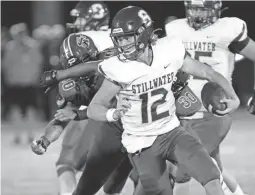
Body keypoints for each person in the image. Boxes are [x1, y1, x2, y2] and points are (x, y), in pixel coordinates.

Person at [86, 5, 240, 195]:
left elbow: (207, 72)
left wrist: (233, 97)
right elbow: (93, 108)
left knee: (211, 176)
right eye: (120, 39)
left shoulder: (168, 50)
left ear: (143, 33)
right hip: (142, 144)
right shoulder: (118, 68)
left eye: (128, 37)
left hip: (172, 133)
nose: (123, 44)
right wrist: (112, 113)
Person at [165, 1, 255, 195]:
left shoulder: (228, 30)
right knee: (214, 167)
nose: (197, 14)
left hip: (214, 109)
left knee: (182, 168)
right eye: (193, 8)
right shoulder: (175, 29)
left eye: (202, 9)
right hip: (183, 110)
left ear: (216, 9)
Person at [32, 2, 133, 195]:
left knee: (66, 164)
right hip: (137, 117)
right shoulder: (125, 38)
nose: (76, 21)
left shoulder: (82, 42)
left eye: (80, 17)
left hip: (104, 118)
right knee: (118, 185)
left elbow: (72, 106)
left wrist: (62, 77)